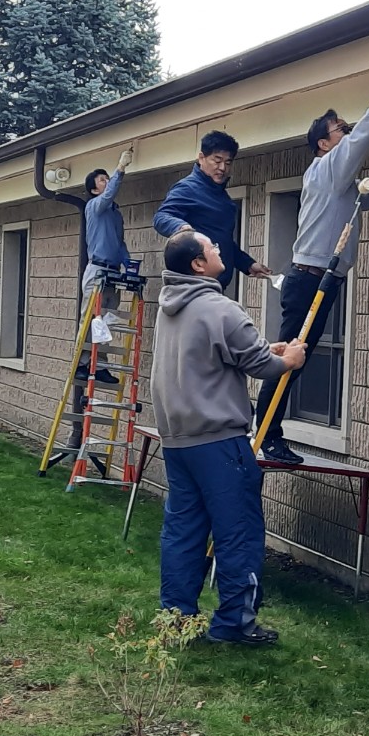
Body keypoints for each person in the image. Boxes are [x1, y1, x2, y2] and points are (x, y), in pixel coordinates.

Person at [254, 71, 369, 464]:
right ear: (323, 144)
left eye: (346, 128)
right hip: (308, 278)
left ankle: (266, 430)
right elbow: (359, 145)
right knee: (289, 361)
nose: (347, 134)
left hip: (322, 280)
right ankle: (267, 435)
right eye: (340, 129)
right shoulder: (324, 169)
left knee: (296, 358)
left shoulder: (339, 181)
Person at [151, 230, 305, 646]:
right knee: (238, 532)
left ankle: (176, 620)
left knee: (183, 531)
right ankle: (234, 624)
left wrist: (263, 350)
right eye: (212, 248)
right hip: (220, 443)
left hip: (179, 442)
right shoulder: (221, 308)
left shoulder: (170, 309)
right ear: (198, 265)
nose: (220, 250)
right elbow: (261, 366)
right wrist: (289, 359)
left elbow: (225, 354)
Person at [152, 131, 272, 293]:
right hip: (193, 286)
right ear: (201, 158)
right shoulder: (187, 188)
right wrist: (182, 228)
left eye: (228, 163)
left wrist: (249, 264)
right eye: (217, 160)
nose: (222, 168)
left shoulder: (225, 199)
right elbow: (161, 217)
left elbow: (225, 243)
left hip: (216, 286)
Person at [76, 149, 133, 385]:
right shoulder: (94, 206)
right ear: (94, 189)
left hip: (113, 272)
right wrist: (120, 169)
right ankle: (82, 364)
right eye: (102, 180)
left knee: (106, 321)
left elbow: (119, 243)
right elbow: (109, 195)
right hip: (97, 270)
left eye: (107, 178)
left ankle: (99, 366)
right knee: (90, 318)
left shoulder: (115, 214)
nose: (106, 181)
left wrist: (129, 266)